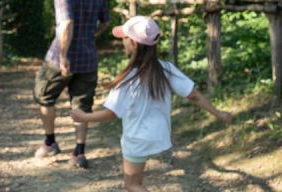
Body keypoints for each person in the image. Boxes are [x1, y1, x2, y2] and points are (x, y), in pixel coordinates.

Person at [70, 16, 233, 191]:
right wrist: (218, 113)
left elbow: (112, 113)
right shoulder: (166, 69)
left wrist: (84, 117)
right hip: (160, 135)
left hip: (136, 138)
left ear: (133, 42)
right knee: (135, 184)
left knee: (132, 185)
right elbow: (193, 95)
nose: (123, 42)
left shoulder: (128, 77)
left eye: (124, 38)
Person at [33, 0, 110, 168]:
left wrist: (64, 55)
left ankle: (50, 143)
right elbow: (105, 21)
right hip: (88, 57)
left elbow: (66, 23)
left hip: (60, 57)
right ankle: (79, 152)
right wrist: (90, 35)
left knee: (44, 95)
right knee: (82, 105)